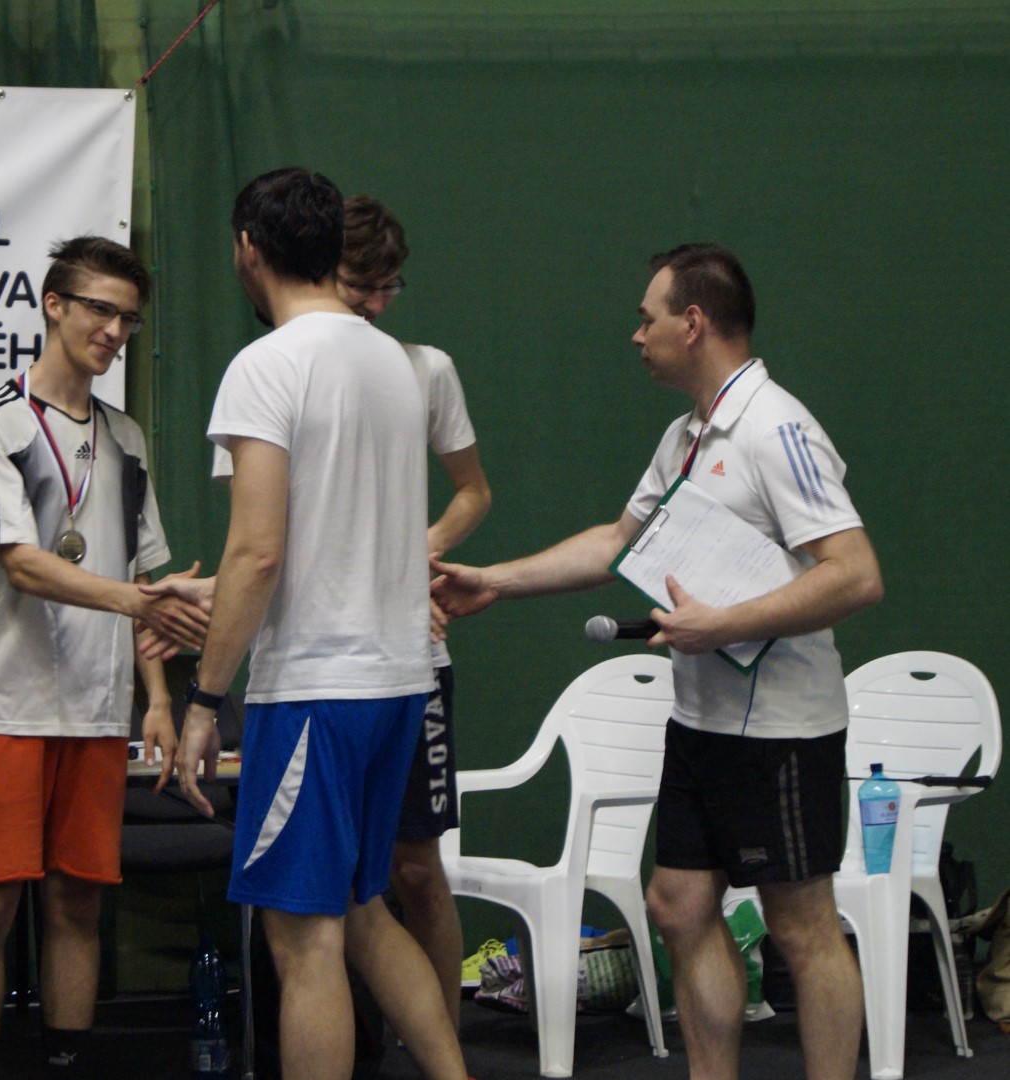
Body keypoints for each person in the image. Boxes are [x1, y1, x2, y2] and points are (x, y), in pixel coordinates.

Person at [432, 244, 882, 1080]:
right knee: (677, 906)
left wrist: (723, 624)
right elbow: (618, 542)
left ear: (694, 322)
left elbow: (856, 575)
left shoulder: (778, 429)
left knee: (801, 926)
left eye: (648, 319)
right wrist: (494, 580)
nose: (637, 335)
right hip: (701, 724)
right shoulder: (685, 437)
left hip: (784, 732)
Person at [173, 168, 469, 1080]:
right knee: (363, 913)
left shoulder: (266, 365)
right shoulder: (395, 364)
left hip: (315, 692)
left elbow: (257, 553)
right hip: (398, 683)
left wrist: (203, 700)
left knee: (304, 943)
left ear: (248, 250)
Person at [0, 236, 205, 1079]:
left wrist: (155, 699)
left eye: (129, 319)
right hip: (7, 705)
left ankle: (66, 1060)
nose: (115, 331)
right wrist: (135, 601)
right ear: (53, 305)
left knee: (77, 904)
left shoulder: (125, 437)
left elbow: (141, 575)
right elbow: (21, 564)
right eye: (100, 309)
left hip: (97, 711)